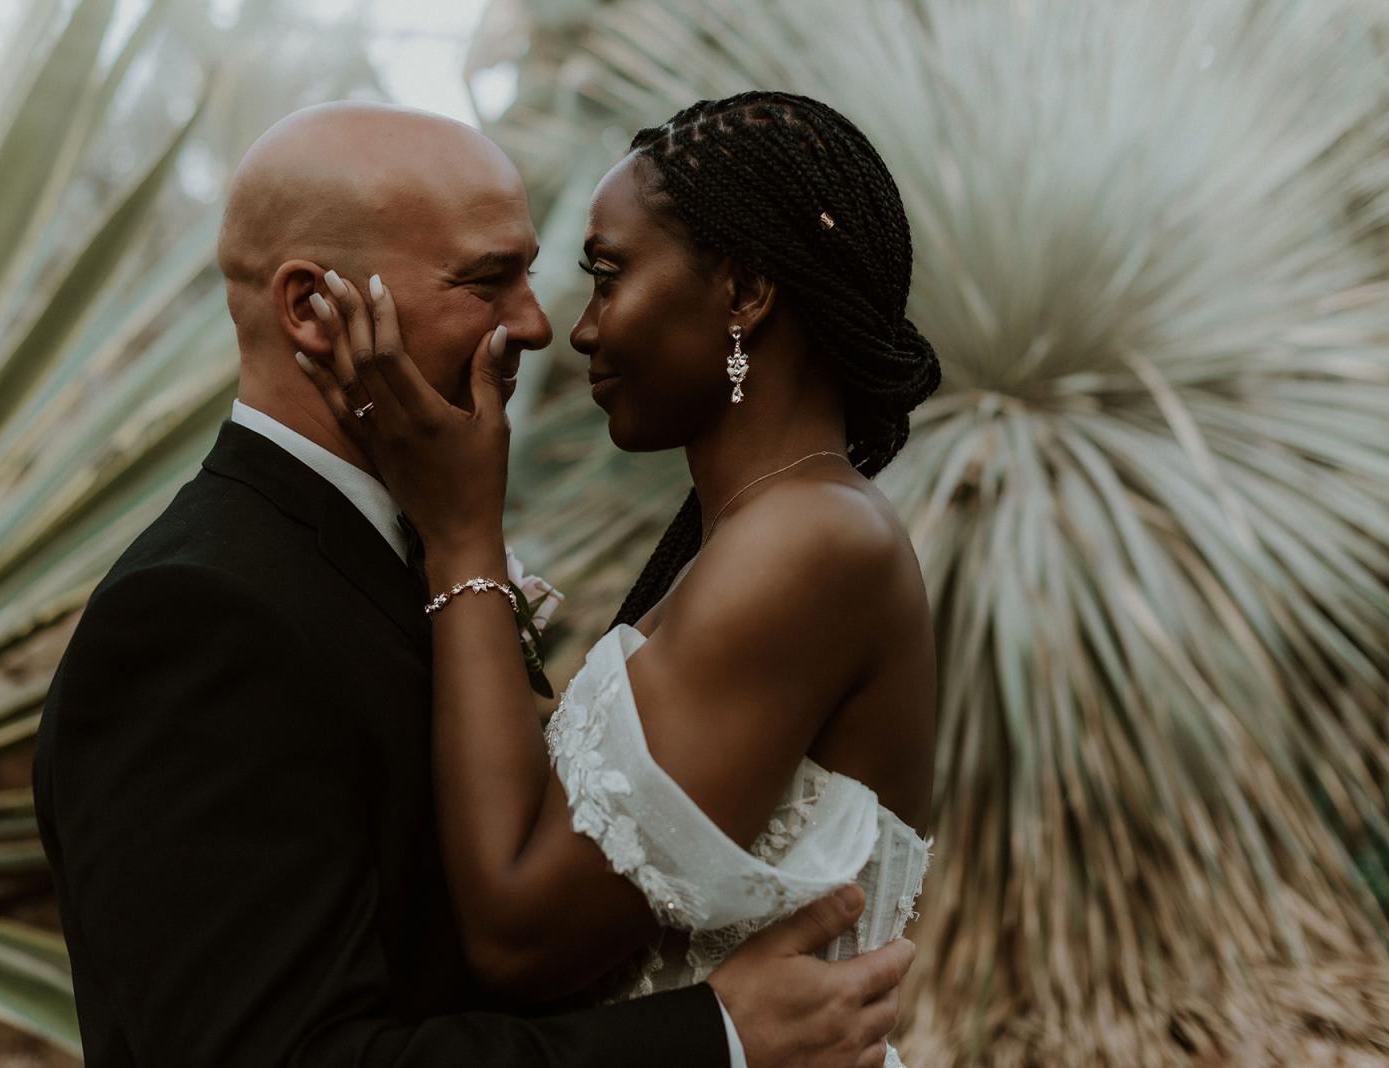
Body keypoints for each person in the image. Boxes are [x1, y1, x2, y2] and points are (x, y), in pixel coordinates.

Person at [32, 100, 917, 1067]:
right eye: (489, 281)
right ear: (311, 309)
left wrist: (465, 549)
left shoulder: (783, 539)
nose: (543, 326)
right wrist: (712, 1038)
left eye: (569, 276)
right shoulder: (199, 617)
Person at [296, 91, 940, 1068]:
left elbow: (518, 936)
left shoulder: (811, 543)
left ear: (743, 291)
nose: (581, 330)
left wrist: (463, 535)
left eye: (608, 276)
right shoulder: (760, 535)